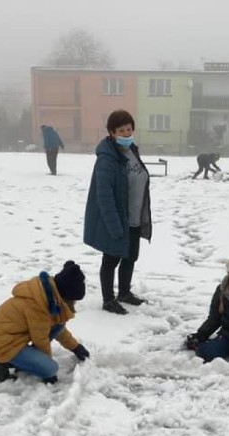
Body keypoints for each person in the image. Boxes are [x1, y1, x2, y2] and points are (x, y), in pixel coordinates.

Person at [83, 109, 152, 315]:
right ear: (112, 133)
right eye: (121, 131)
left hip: (134, 217)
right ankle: (108, 299)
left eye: (129, 129)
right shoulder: (107, 158)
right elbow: (104, 196)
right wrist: (113, 225)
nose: (126, 134)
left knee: (130, 257)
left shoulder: (132, 150)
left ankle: (124, 293)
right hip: (116, 219)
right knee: (111, 259)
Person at [0, 261, 90, 383]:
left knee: (58, 325)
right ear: (65, 296)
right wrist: (46, 370)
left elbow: (56, 327)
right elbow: (40, 340)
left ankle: (24, 360)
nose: (74, 304)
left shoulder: (47, 296)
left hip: (11, 338)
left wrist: (75, 347)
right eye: (73, 300)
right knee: (51, 368)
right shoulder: (38, 306)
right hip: (3, 345)